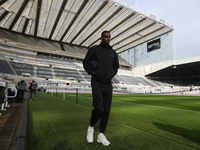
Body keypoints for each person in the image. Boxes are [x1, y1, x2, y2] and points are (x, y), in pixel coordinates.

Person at [83, 31, 119, 146]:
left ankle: (101, 135)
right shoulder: (94, 49)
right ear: (101, 37)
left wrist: (111, 74)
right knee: (99, 108)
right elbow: (86, 62)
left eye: (109, 37)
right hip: (97, 82)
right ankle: (91, 127)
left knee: (107, 111)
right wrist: (93, 72)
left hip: (108, 84)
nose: (108, 39)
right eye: (106, 37)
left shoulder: (113, 52)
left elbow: (116, 66)